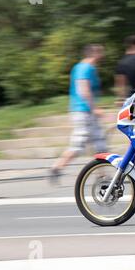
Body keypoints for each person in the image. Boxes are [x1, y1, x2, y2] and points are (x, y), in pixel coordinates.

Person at [49, 44, 107, 184]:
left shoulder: (83, 67)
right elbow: (83, 89)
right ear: (93, 53)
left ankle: (102, 176)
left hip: (85, 111)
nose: (103, 55)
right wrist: (94, 108)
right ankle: (56, 168)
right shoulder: (85, 68)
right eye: (101, 52)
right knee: (78, 145)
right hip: (83, 112)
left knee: (99, 143)